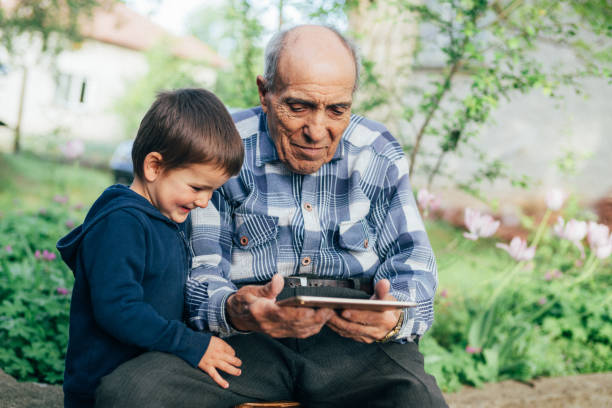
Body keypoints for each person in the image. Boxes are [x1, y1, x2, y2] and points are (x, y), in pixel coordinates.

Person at [96, 25, 447, 407]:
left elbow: (415, 264)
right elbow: (202, 274)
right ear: (265, 93)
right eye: (298, 107)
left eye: (337, 110)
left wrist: (392, 319)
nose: (317, 131)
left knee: (418, 400)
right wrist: (236, 310)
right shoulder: (222, 149)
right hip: (246, 343)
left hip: (352, 344)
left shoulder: (378, 152)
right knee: (132, 395)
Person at [56, 88, 245, 407]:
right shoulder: (121, 224)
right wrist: (189, 343)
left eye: (213, 190)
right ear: (154, 167)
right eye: (197, 187)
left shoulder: (167, 217)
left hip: (149, 379)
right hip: (102, 389)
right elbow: (118, 309)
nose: (204, 201)